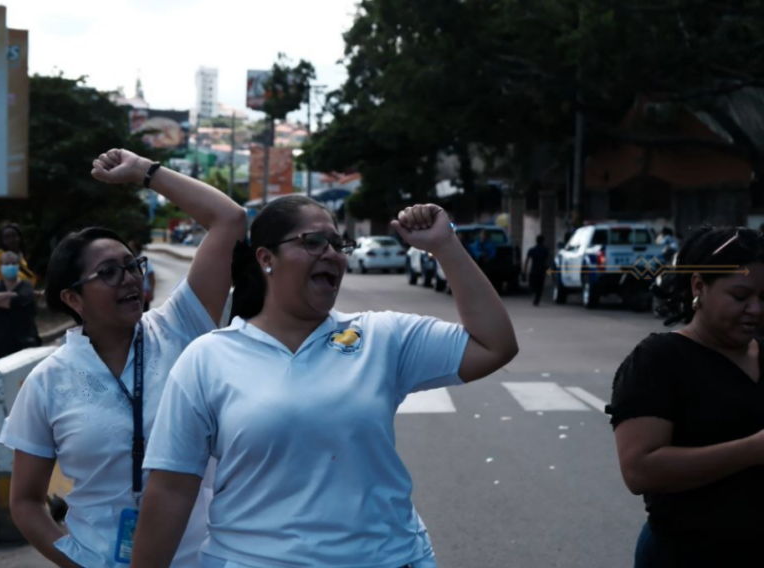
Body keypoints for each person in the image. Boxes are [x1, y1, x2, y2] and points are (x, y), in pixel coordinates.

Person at [131, 200, 519, 568]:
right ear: (266, 259)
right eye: (313, 242)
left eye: (338, 243)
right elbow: (172, 489)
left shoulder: (382, 336)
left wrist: (445, 245)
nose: (332, 253)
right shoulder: (208, 358)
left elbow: (493, 345)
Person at [0, 148, 246, 568]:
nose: (130, 278)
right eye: (109, 272)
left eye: (133, 266)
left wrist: (145, 172)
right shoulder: (48, 381)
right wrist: (78, 561)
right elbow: (25, 501)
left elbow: (230, 219)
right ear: (73, 298)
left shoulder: (180, 327)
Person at [607, 225, 764, 568]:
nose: (755, 309)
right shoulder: (658, 361)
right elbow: (639, 470)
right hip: (686, 554)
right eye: (740, 297)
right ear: (699, 286)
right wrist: (752, 450)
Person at [0, 251, 38, 363]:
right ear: (0, 266)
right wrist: (10, 295)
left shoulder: (26, 285)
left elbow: (20, 302)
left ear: (18, 265)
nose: (10, 266)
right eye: (6, 264)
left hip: (22, 347)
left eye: (13, 263)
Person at [130, 240, 156, 312]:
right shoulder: (129, 262)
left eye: (131, 247)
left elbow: (152, 277)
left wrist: (151, 292)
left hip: (144, 294)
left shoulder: (143, 261)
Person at [524, 235, 551, 306]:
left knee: (534, 285)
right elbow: (548, 261)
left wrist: (524, 270)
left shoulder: (532, 250)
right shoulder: (545, 250)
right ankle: (537, 298)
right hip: (541, 271)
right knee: (540, 286)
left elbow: (527, 261)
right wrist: (549, 271)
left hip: (534, 271)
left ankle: (536, 298)